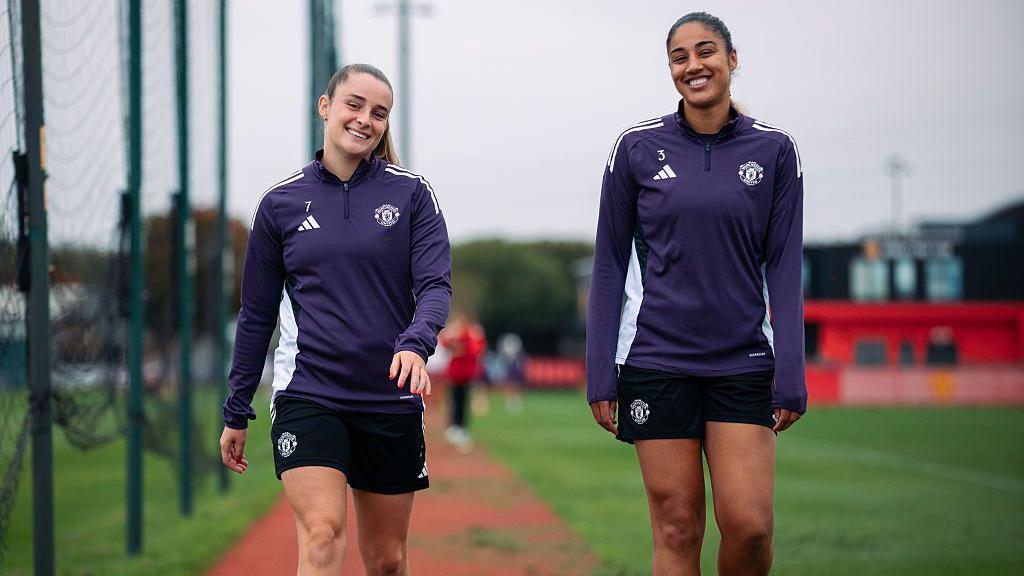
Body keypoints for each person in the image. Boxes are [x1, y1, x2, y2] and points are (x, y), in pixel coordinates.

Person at [586, 12, 806, 575]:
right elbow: (609, 263)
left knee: (751, 529)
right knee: (678, 528)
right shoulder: (634, 148)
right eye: (679, 58)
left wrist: (792, 372)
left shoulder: (777, 151)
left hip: (742, 361)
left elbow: (782, 265)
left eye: (706, 52)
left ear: (732, 59)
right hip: (657, 360)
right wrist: (599, 371)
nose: (694, 66)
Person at [219, 63, 451, 575]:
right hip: (310, 394)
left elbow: (436, 286)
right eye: (354, 105)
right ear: (325, 108)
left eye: (379, 113)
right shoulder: (279, 204)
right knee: (322, 535)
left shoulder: (413, 195)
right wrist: (236, 409)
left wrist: (415, 343)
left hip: (388, 397)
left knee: (387, 561)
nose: (365, 119)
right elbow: (256, 315)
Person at [438, 311, 485, 451]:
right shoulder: (454, 333)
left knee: (463, 402)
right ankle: (453, 428)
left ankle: (461, 429)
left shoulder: (472, 333)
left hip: (467, 373)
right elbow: (444, 343)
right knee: (455, 400)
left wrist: (462, 347)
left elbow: (476, 350)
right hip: (455, 373)